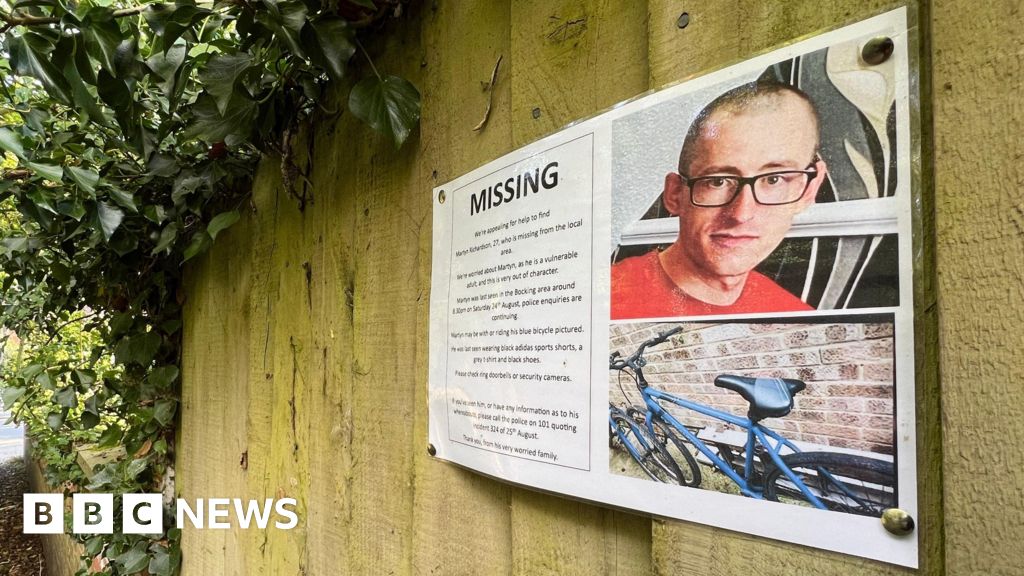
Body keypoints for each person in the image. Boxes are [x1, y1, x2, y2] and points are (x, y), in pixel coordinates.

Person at [611, 81, 828, 319]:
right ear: (675, 194)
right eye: (717, 181)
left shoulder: (799, 319)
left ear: (809, 189)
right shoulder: (605, 299)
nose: (741, 214)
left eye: (774, 180)